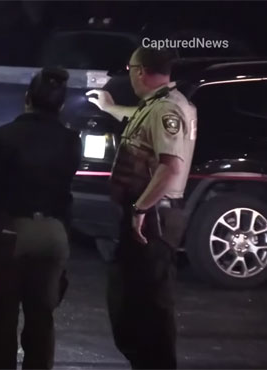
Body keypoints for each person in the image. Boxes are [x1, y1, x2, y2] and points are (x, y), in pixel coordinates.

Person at [0, 67, 83, 369]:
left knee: (2, 322)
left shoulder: (3, 137)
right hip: (54, 234)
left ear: (27, 98)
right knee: (42, 321)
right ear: (61, 105)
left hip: (10, 233)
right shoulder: (70, 141)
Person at [86, 47, 197, 369]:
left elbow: (170, 167)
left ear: (140, 71)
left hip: (153, 220)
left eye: (131, 68)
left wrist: (140, 209)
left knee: (148, 308)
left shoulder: (166, 111)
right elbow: (140, 120)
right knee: (134, 302)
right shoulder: (159, 106)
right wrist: (110, 108)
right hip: (150, 216)